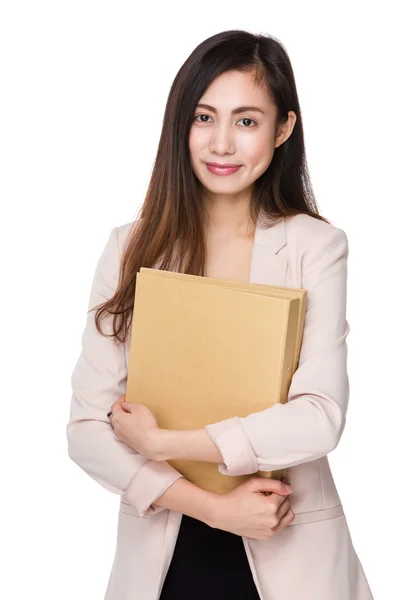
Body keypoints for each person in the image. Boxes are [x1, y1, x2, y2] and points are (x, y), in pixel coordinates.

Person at [66, 29, 374, 600]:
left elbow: (320, 417)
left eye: (247, 121)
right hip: (162, 561)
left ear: (283, 129)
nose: (222, 144)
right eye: (204, 118)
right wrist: (211, 508)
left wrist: (166, 443)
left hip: (289, 554)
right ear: (180, 125)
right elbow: (87, 430)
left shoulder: (316, 248)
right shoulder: (130, 247)